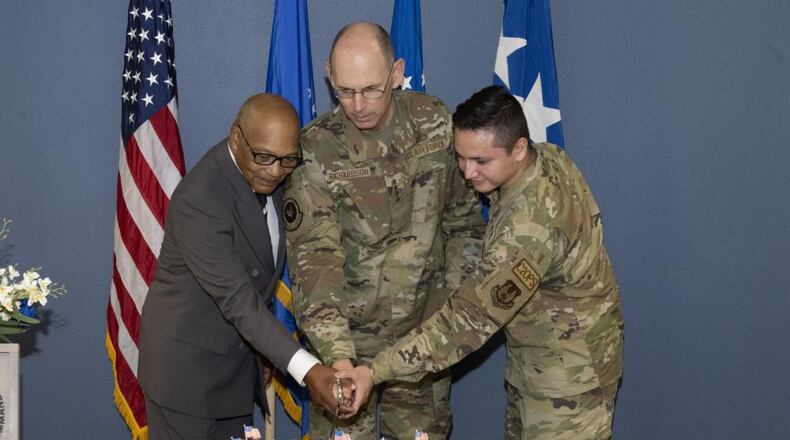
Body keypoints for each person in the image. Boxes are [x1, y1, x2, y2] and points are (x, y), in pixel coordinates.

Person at [339, 85, 625, 440]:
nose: (467, 172)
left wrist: (374, 370)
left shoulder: (528, 228)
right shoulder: (548, 156)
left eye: (481, 161)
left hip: (567, 385)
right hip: (544, 365)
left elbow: (465, 323)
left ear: (519, 148)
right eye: (460, 157)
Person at [283, 22, 486, 439]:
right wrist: (339, 360)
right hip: (346, 347)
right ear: (328, 75)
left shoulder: (434, 124)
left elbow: (464, 225)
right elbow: (315, 264)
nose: (358, 105)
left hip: (421, 347)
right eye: (344, 90)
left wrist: (444, 313)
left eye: (372, 89)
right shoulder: (316, 150)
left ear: (396, 73)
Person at [138, 94, 351, 440]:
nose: (275, 171)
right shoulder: (201, 198)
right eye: (264, 157)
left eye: (286, 160)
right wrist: (309, 371)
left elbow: (262, 275)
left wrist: (264, 351)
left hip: (235, 371)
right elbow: (237, 299)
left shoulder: (276, 178)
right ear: (236, 137)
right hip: (185, 378)